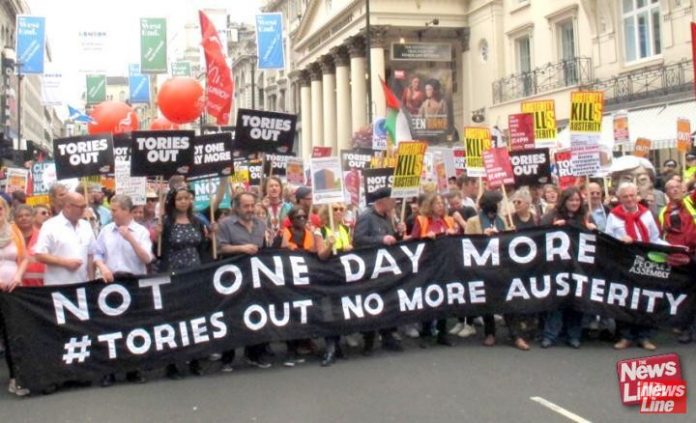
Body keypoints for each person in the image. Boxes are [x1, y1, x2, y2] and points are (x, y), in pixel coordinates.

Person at [93, 195, 152, 387]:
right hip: (111, 281)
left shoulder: (141, 231)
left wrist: (130, 238)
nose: (112, 213)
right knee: (110, 327)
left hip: (133, 281)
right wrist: (102, 267)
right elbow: (97, 254)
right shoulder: (106, 230)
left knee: (133, 326)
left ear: (127, 211)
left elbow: (147, 258)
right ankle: (109, 370)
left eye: (115, 210)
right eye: (111, 210)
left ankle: (132, 369)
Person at [157, 186, 211, 378]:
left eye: (187, 198)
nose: (183, 202)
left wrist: (210, 238)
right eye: (179, 199)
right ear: (173, 201)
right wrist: (158, 234)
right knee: (174, 318)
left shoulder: (196, 221)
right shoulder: (166, 222)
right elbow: (159, 250)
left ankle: (195, 359)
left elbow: (202, 246)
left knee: (195, 317)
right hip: (174, 273)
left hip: (194, 272)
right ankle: (171, 363)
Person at [216, 192, 274, 372]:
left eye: (252, 205)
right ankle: (227, 357)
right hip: (233, 277)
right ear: (236, 207)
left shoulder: (260, 224)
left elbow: (264, 248)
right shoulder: (225, 224)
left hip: (255, 277)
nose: (249, 209)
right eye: (245, 206)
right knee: (232, 315)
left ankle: (255, 353)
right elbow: (219, 248)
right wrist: (241, 248)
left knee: (256, 314)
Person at [466, 191, 530, 350]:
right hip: (484, 268)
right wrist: (482, 236)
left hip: (502, 268)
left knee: (508, 300)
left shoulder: (502, 219)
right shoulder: (473, 221)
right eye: (496, 202)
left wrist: (510, 232)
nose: (499, 205)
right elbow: (466, 243)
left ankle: (515, 334)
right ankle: (490, 333)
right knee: (487, 300)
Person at [604, 182, 661, 351]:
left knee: (645, 300)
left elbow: (655, 238)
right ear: (619, 198)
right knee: (625, 300)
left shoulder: (647, 214)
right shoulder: (613, 216)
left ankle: (644, 337)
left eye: (631, 195)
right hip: (624, 264)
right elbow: (608, 240)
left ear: (637, 196)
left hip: (644, 263)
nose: (629, 199)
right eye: (625, 196)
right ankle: (626, 336)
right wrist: (620, 241)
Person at [539, 187, 595, 349]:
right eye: (571, 200)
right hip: (557, 268)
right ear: (564, 201)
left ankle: (574, 335)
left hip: (578, 267)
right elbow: (540, 235)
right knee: (556, 302)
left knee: (576, 301)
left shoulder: (585, 217)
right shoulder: (551, 216)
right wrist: (553, 227)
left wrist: (592, 229)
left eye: (577, 200)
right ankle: (550, 335)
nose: (575, 203)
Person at [353, 187, 405, 354]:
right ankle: (368, 340)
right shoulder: (366, 217)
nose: (395, 203)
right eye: (392, 199)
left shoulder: (388, 217)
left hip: (386, 269)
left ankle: (388, 336)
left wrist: (398, 234)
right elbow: (358, 240)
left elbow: (391, 240)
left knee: (388, 301)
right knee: (371, 304)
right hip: (370, 268)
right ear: (382, 201)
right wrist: (381, 239)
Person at [280, 206, 332, 367]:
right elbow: (283, 248)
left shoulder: (310, 233)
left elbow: (316, 251)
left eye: (303, 216)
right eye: (298, 217)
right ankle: (291, 350)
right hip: (290, 278)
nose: (301, 219)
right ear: (291, 220)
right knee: (292, 312)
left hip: (308, 277)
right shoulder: (287, 232)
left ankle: (307, 341)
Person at [410, 193, 458, 347]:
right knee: (428, 297)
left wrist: (454, 234)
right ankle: (426, 332)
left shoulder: (449, 221)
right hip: (428, 265)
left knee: (444, 297)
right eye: (437, 203)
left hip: (445, 265)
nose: (440, 206)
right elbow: (413, 241)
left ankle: (442, 332)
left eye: (442, 203)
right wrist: (425, 237)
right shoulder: (421, 220)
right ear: (430, 206)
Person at [657, 179, 696, 343]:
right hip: (678, 260)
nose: (674, 190)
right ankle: (686, 329)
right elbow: (661, 237)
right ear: (666, 193)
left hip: (695, 253)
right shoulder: (663, 212)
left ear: (683, 189)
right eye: (670, 188)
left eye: (677, 187)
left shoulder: (691, 202)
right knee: (686, 297)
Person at [316, 203, 353, 366]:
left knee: (340, 309)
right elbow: (321, 255)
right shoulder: (321, 231)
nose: (338, 212)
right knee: (329, 310)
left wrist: (349, 248)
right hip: (326, 276)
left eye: (341, 209)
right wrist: (330, 245)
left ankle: (338, 344)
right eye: (334, 209)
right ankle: (330, 347)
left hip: (342, 275)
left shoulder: (345, 229)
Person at [0, 196, 30, 397]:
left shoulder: (14, 231)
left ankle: (15, 378)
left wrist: (18, 277)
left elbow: (24, 258)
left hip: (12, 291)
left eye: (1, 208)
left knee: (13, 334)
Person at [34, 192, 96, 286]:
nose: (84, 210)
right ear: (68, 207)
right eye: (81, 207)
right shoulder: (50, 226)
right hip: (58, 286)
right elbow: (39, 255)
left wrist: (92, 280)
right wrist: (64, 262)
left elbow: (91, 255)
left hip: (83, 285)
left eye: (85, 206)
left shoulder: (86, 226)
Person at [12, 205, 44, 287]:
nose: (24, 218)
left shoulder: (42, 236)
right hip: (15, 286)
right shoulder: (10, 238)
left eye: (27, 215)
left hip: (40, 286)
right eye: (20, 216)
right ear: (15, 220)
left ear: (33, 218)